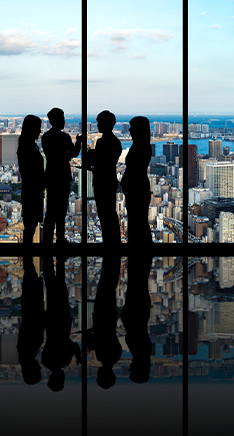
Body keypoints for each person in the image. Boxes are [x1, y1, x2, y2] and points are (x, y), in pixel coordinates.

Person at [41, 108, 83, 244]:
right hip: (63, 176)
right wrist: (78, 142)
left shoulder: (45, 137)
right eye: (62, 119)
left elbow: (52, 155)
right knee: (61, 209)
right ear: (57, 120)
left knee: (51, 209)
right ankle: (60, 237)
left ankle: (47, 239)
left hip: (51, 175)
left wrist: (64, 155)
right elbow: (75, 153)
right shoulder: (64, 137)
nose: (64, 121)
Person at [41, 255, 82, 391]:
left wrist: (78, 357)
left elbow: (74, 345)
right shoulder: (46, 361)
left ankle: (59, 260)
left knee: (60, 282)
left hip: (62, 321)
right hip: (52, 321)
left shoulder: (64, 361)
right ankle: (48, 258)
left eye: (62, 380)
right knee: (51, 285)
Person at [84, 110, 122, 244]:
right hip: (109, 180)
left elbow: (96, 161)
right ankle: (113, 242)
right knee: (110, 214)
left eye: (99, 122)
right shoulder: (116, 142)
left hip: (101, 181)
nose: (97, 125)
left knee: (105, 214)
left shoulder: (102, 142)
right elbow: (106, 162)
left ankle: (109, 243)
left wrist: (89, 154)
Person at [84, 255, 122, 389]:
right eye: (99, 376)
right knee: (105, 284)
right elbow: (100, 336)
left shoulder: (116, 356)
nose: (97, 373)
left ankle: (113, 259)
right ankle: (111, 257)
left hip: (110, 317)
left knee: (109, 284)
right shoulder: (102, 356)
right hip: (102, 317)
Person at [122, 254, 154, 384]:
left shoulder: (143, 352)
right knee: (137, 277)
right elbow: (134, 329)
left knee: (139, 277)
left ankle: (141, 253)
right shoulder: (140, 350)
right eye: (132, 370)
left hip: (140, 309)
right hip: (136, 309)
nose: (129, 367)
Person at [121, 116, 153, 244]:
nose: (130, 130)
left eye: (132, 128)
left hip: (137, 190)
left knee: (137, 222)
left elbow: (134, 170)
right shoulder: (142, 146)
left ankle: (139, 252)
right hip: (137, 188)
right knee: (138, 222)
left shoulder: (140, 147)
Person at [17, 256, 45, 385]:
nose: (40, 367)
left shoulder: (28, 350)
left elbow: (34, 324)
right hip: (30, 305)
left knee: (30, 270)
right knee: (30, 271)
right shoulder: (25, 353)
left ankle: (28, 240)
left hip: (33, 306)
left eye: (38, 371)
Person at [16, 115, 44, 244]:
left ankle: (27, 258)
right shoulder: (28, 148)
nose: (40, 131)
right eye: (38, 128)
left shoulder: (25, 146)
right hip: (33, 191)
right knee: (31, 226)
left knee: (31, 226)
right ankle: (28, 257)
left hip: (30, 190)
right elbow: (32, 172)